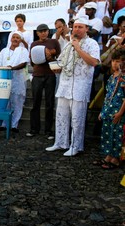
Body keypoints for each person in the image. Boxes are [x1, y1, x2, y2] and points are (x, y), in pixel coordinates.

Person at [46, 16, 100, 156]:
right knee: (60, 116)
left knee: (77, 119)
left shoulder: (92, 43)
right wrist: (57, 68)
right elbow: (63, 61)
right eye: (75, 27)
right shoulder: (68, 43)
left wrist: (78, 47)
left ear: (86, 29)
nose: (77, 29)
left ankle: (75, 146)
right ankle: (60, 142)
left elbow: (94, 62)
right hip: (65, 84)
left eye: (80, 27)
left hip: (80, 87)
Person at [26, 23, 61, 139]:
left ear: (48, 31)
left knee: (49, 103)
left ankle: (48, 130)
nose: (43, 33)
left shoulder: (54, 42)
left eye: (45, 30)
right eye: (41, 31)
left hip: (50, 74)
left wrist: (51, 55)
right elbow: (32, 61)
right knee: (35, 103)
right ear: (37, 33)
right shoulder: (34, 44)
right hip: (37, 75)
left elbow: (59, 56)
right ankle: (34, 129)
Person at [95, 49, 125, 169]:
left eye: (119, 61)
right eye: (114, 61)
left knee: (117, 135)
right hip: (108, 111)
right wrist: (103, 111)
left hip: (118, 112)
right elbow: (108, 95)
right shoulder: (112, 76)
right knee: (107, 134)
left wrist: (120, 113)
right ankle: (108, 155)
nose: (115, 64)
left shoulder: (123, 78)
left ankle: (116, 159)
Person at [0, 31, 29, 132]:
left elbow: (23, 64)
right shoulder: (4, 51)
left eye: (17, 38)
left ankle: (14, 125)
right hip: (4, 80)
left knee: (17, 102)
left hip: (18, 80)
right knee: (5, 102)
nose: (15, 39)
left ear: (20, 40)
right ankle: (4, 124)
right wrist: (5, 69)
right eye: (13, 37)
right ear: (10, 39)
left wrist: (11, 68)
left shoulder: (23, 50)